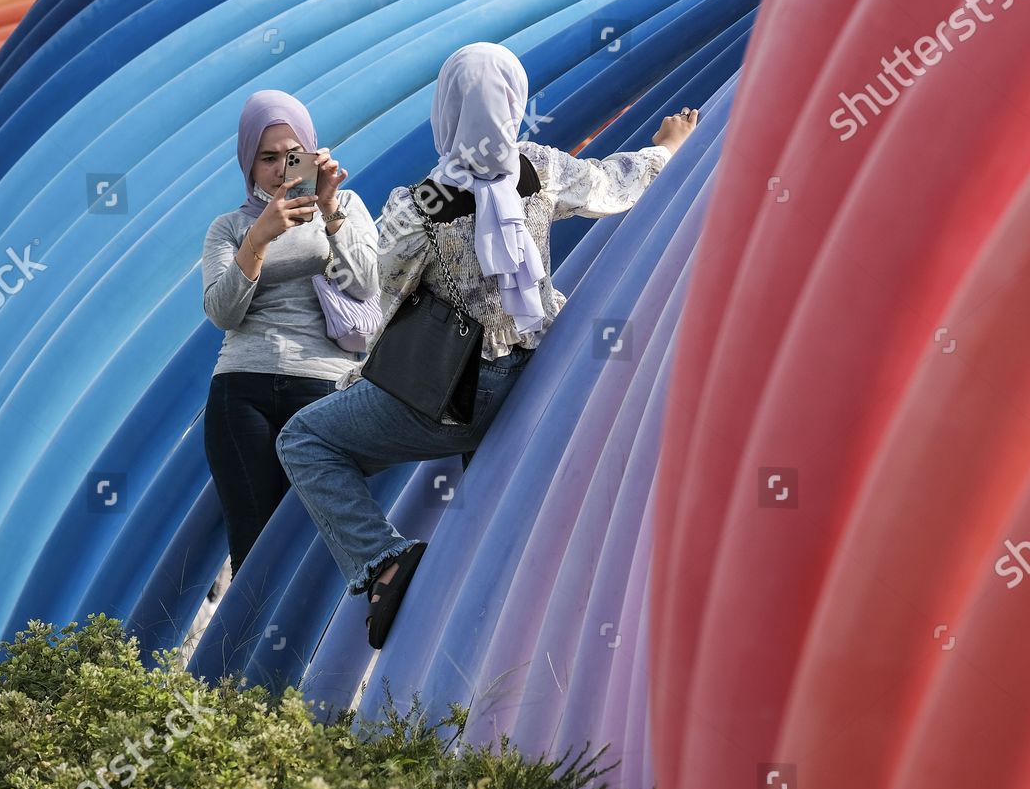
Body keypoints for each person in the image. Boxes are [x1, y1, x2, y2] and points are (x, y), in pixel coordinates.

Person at [276, 42, 698, 649]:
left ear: (445, 111)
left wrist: (332, 217)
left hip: (448, 400)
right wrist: (667, 150)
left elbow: (364, 284)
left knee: (307, 439)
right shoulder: (541, 169)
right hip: (541, 379)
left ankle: (384, 563)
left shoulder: (424, 202)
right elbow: (613, 185)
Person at [201, 90, 380, 600]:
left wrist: (328, 211)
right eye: (267, 157)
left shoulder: (345, 205)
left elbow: (366, 283)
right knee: (253, 548)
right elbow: (222, 312)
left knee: (321, 547)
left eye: (292, 154)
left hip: (323, 389)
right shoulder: (231, 227)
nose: (281, 168)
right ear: (248, 162)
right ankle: (245, 675)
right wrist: (257, 239)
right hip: (242, 391)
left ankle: (317, 672)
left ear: (314, 153)